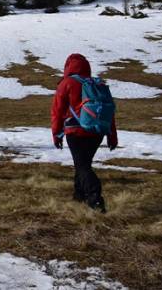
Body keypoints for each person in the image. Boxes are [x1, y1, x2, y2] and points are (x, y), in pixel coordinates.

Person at [51, 53, 118, 213]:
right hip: (97, 132)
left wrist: (56, 134)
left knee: (82, 166)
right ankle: (79, 196)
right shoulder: (98, 84)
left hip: (76, 132)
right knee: (82, 164)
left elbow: (57, 111)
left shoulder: (66, 83)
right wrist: (112, 135)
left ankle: (95, 199)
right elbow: (110, 113)